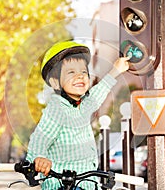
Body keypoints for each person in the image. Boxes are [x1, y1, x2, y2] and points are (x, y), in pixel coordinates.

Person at [26, 40, 129, 189]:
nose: (80, 76)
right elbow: (39, 141)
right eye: (71, 72)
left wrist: (115, 70)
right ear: (55, 83)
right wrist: (39, 159)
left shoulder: (82, 105)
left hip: (87, 184)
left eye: (83, 72)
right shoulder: (57, 109)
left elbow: (98, 92)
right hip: (63, 184)